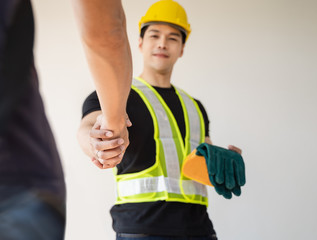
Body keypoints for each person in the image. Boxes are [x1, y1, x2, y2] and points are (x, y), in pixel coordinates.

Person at [78, 0, 242, 239]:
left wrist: (222, 162)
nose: (163, 43)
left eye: (173, 38)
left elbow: (198, 164)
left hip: (199, 229)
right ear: (141, 43)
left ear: (182, 49)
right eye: (155, 35)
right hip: (141, 229)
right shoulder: (114, 94)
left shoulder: (195, 106)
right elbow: (87, 128)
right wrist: (94, 142)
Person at [0, 0, 132, 239]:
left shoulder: (193, 105)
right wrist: (114, 124)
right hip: (15, 180)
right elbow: (106, 31)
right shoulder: (114, 97)